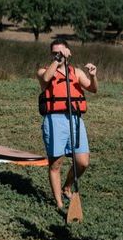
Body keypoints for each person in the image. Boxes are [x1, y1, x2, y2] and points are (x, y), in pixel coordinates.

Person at [37, 38, 97, 210]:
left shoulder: (76, 72)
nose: (58, 55)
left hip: (75, 119)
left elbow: (93, 89)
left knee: (83, 162)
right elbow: (47, 78)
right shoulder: (43, 71)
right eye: (55, 52)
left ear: (69, 52)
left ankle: (67, 186)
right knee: (55, 164)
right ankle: (59, 203)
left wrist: (93, 76)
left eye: (61, 52)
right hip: (54, 120)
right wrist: (56, 60)